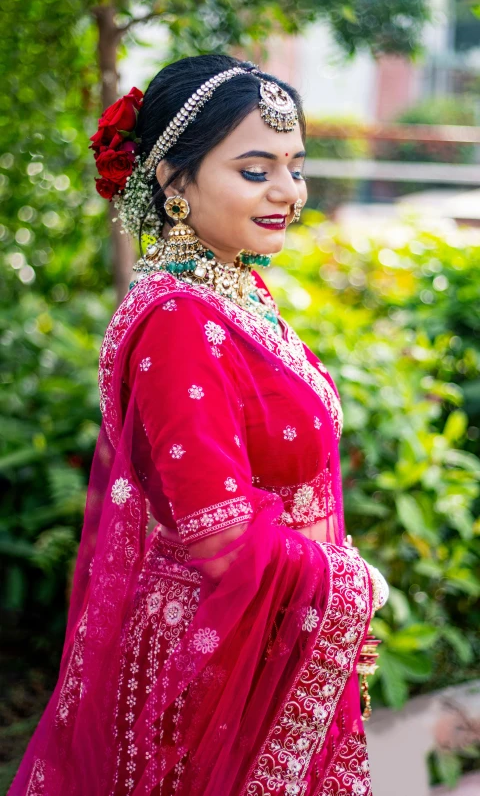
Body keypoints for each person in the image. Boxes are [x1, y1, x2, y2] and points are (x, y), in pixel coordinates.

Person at [9, 54, 388, 796]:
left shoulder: (232, 286)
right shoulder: (180, 317)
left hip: (251, 636)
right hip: (210, 657)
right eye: (256, 170)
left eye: (296, 166)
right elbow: (217, 530)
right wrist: (351, 582)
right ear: (173, 180)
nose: (289, 192)